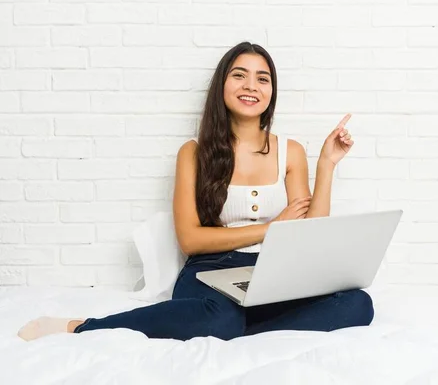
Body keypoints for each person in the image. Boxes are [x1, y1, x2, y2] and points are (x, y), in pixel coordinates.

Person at [17, 42, 374, 342]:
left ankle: (238, 330)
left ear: (271, 92)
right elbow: (190, 240)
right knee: (219, 317)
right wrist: (272, 228)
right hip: (210, 273)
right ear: (222, 84)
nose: (251, 85)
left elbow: (309, 236)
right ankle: (83, 326)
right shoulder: (193, 152)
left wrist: (327, 164)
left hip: (274, 272)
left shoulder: (291, 152)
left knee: (358, 304)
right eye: (239, 75)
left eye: (262, 79)